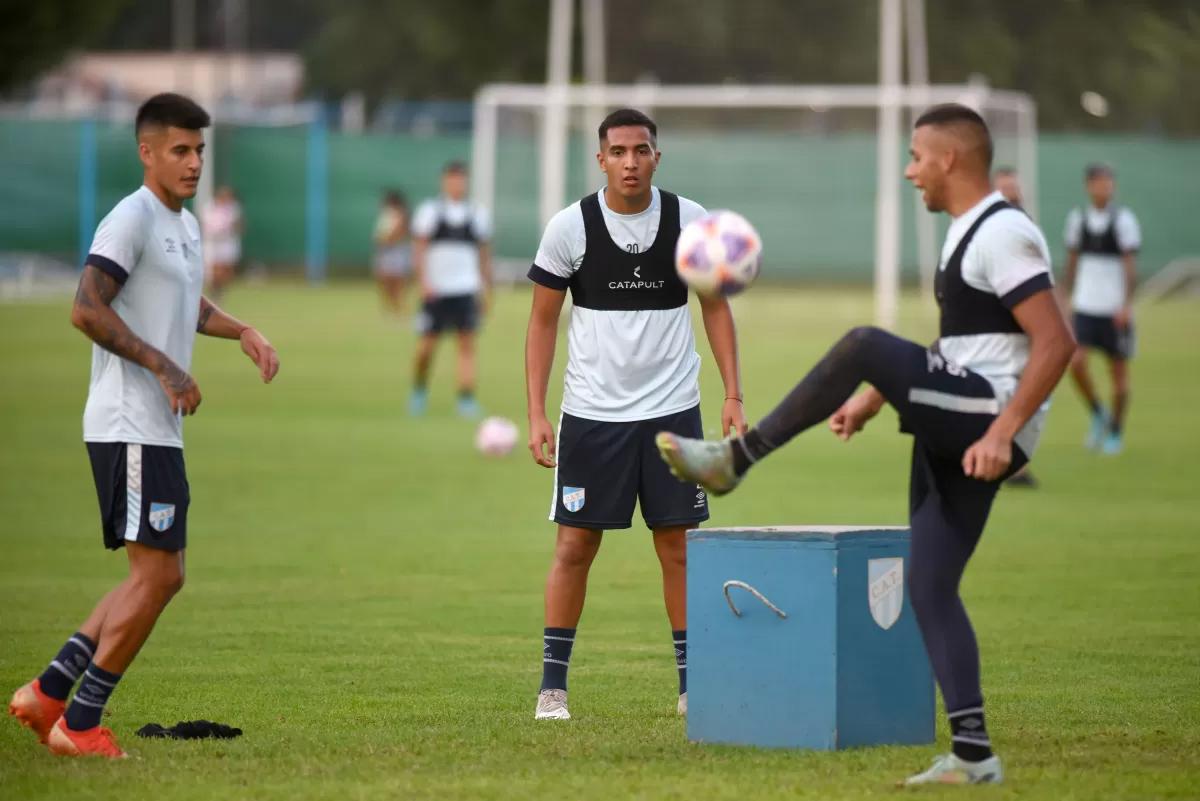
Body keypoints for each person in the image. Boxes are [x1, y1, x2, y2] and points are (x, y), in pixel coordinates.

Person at [657, 104, 1074, 785]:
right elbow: (976, 341)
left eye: (916, 157)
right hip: (966, 408)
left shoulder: (1004, 232)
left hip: (988, 414)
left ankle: (737, 458)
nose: (910, 172)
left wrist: (1003, 431)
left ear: (948, 160)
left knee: (863, 342)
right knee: (930, 585)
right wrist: (877, 394)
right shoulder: (967, 233)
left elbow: (1056, 341)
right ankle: (974, 754)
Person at [6, 93, 279, 759]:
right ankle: (81, 718)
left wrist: (239, 328)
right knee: (156, 576)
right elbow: (86, 308)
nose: (193, 164)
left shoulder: (183, 227)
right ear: (147, 151)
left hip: (155, 426)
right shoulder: (129, 219)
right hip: (129, 420)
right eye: (180, 150)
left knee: (160, 574)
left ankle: (48, 691)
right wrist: (165, 367)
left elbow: (182, 300)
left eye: (200, 151)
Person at [525, 108, 746, 721]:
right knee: (575, 545)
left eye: (641, 150)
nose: (630, 161)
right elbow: (542, 322)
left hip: (673, 413)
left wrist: (732, 393)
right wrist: (536, 413)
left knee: (678, 547)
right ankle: (553, 688)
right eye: (617, 151)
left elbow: (717, 310)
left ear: (656, 156)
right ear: (600, 159)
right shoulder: (569, 227)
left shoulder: (689, 220)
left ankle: (690, 685)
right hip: (592, 417)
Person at [1062, 164, 1141, 455]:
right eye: (1098, 183)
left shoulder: (1123, 220)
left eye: (1108, 182)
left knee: (1118, 374)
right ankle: (1098, 413)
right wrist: (1066, 299)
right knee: (1076, 363)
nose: (1104, 188)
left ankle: (1116, 431)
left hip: (1112, 309)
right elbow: (1071, 262)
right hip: (1085, 305)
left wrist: (1126, 305)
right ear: (1088, 186)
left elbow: (1130, 266)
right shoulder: (1077, 219)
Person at [409, 162, 492, 417]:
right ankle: (419, 391)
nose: (457, 184)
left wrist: (486, 288)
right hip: (437, 291)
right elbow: (419, 249)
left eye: (461, 180)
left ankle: (466, 399)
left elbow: (484, 254)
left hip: (466, 289)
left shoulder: (477, 214)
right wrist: (424, 282)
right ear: (444, 182)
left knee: (467, 346)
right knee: (426, 348)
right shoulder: (430, 212)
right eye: (452, 179)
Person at [991, 167, 1038, 488]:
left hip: (1022, 332)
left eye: (1016, 197)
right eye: (1006, 197)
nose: (1013, 202)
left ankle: (1013, 465)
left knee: (1020, 393)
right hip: (992, 334)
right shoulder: (982, 236)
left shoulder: (1027, 234)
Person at [373, 189, 411, 315]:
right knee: (384, 280)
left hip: (396, 251)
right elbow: (379, 234)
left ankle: (399, 309)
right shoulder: (385, 215)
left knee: (397, 282)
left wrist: (389, 239)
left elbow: (400, 232)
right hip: (384, 250)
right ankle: (390, 307)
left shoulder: (402, 215)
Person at [201, 185, 243, 302]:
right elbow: (207, 225)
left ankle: (220, 292)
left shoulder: (234, 208)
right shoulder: (209, 207)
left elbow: (239, 225)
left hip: (228, 243)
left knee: (227, 270)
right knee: (214, 270)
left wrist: (233, 227)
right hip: (212, 243)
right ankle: (213, 293)